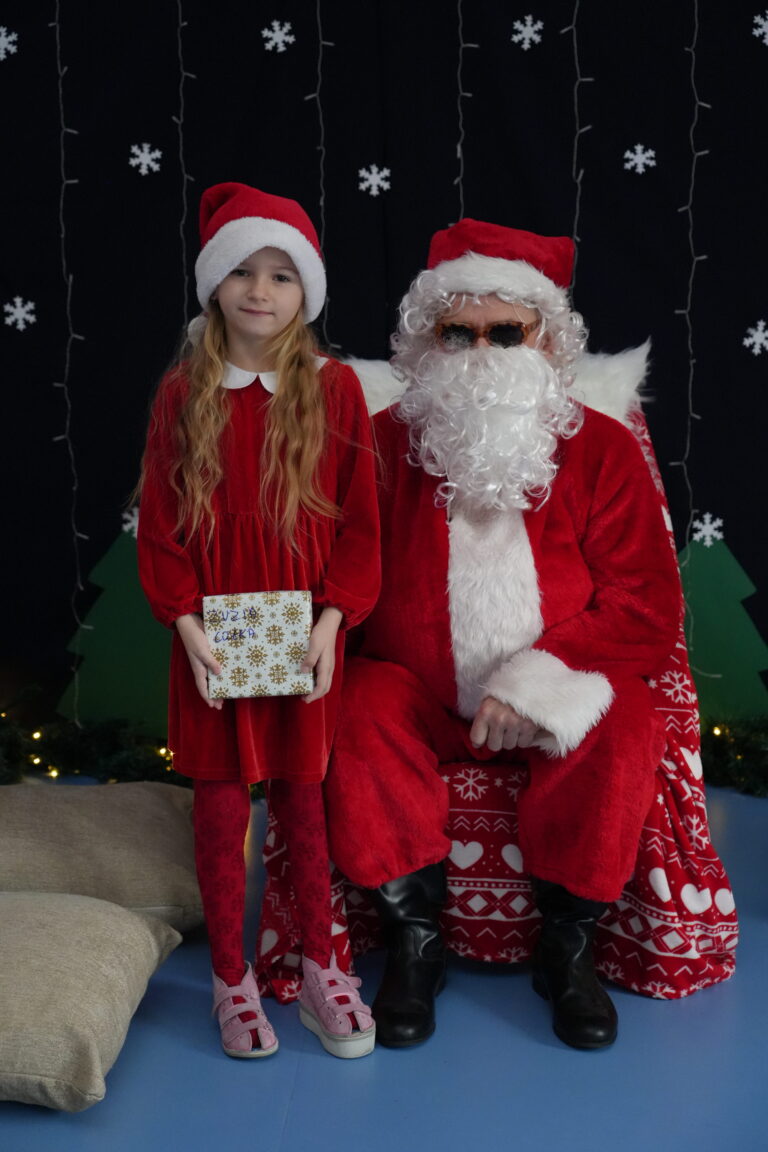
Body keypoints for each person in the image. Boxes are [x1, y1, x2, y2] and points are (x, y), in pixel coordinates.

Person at [324, 218, 681, 1050]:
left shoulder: (600, 450)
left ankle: (568, 948)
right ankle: (415, 943)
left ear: (546, 340)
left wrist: (537, 684)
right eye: (458, 333)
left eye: (505, 333)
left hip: (553, 687)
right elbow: (337, 568)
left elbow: (645, 605)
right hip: (417, 693)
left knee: (625, 720)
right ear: (428, 342)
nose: (480, 352)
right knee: (358, 707)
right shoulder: (378, 446)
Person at [137, 182, 380, 1060]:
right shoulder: (183, 394)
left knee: (303, 803)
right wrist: (187, 628)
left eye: (281, 274)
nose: (259, 290)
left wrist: (332, 622)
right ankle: (229, 979)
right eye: (242, 270)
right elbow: (161, 529)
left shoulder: (336, 391)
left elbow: (361, 525)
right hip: (213, 637)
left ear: (304, 291)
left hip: (301, 631)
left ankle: (321, 967)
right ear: (215, 283)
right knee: (217, 809)